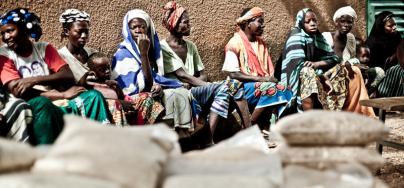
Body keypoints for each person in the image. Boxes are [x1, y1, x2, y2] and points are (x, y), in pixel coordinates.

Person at [0, 8, 112, 145]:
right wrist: (61, 95)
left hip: (53, 98)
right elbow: (18, 90)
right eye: (3, 33)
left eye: (10, 31)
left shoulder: (43, 48)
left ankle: (101, 146)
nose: (6, 37)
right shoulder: (4, 55)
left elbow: (66, 74)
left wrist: (33, 80)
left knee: (94, 96)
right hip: (34, 101)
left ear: (24, 29)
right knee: (43, 104)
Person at [161, 1, 251, 135]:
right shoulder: (163, 47)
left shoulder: (191, 46)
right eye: (185, 22)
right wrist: (209, 85)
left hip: (195, 88)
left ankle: (245, 131)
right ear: (175, 23)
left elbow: (202, 74)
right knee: (227, 87)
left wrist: (205, 85)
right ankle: (211, 137)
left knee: (234, 85)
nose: (189, 25)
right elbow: (182, 75)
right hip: (179, 91)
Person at [112, 9, 203, 139]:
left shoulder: (151, 50)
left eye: (142, 27)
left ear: (148, 29)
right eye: (134, 27)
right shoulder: (122, 54)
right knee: (171, 94)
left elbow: (154, 79)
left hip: (150, 91)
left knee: (180, 93)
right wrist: (143, 53)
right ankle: (169, 136)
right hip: (133, 97)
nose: (138, 30)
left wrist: (159, 85)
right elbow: (135, 87)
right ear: (128, 30)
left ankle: (181, 135)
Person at [222, 7, 291, 130]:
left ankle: (267, 127)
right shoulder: (234, 43)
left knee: (285, 89)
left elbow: (268, 74)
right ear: (248, 23)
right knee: (271, 88)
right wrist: (263, 79)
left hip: (258, 86)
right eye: (260, 21)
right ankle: (250, 127)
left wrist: (266, 80)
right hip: (240, 88)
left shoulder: (261, 44)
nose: (262, 26)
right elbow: (233, 74)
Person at [280, 8, 338, 112]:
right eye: (308, 21)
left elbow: (333, 58)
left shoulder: (316, 37)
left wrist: (317, 64)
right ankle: (308, 117)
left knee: (341, 69)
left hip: (314, 71)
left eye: (314, 20)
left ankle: (336, 113)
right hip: (296, 79)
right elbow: (299, 66)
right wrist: (322, 75)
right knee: (308, 72)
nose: (312, 24)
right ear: (301, 22)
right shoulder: (296, 36)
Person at [321, 6, 375, 116]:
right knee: (355, 71)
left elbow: (352, 59)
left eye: (349, 22)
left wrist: (351, 64)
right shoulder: (326, 38)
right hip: (328, 74)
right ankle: (358, 112)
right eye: (342, 21)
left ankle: (356, 111)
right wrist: (347, 65)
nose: (346, 25)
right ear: (336, 22)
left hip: (347, 73)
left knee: (357, 70)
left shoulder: (350, 38)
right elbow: (323, 61)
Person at [87, 52, 165, 125]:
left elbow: (123, 98)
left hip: (123, 111)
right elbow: (99, 103)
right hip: (108, 116)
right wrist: (119, 103)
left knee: (146, 96)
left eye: (108, 68)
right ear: (92, 73)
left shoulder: (113, 84)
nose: (107, 71)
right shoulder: (93, 87)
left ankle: (144, 127)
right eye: (102, 70)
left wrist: (128, 108)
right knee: (116, 105)